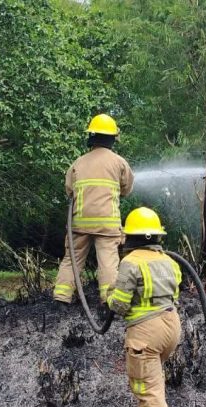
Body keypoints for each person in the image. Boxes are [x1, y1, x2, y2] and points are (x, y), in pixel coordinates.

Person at [106, 207, 182, 407]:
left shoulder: (131, 262)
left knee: (147, 390)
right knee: (154, 382)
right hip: (171, 326)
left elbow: (119, 305)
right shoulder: (169, 261)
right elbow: (175, 290)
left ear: (131, 237)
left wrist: (109, 296)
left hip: (145, 333)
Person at [53, 114, 134, 305]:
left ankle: (61, 297)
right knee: (108, 263)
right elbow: (127, 189)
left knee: (72, 260)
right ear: (113, 139)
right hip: (107, 223)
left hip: (80, 222)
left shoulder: (78, 162)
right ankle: (108, 300)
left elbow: (69, 190)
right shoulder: (119, 162)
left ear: (91, 137)